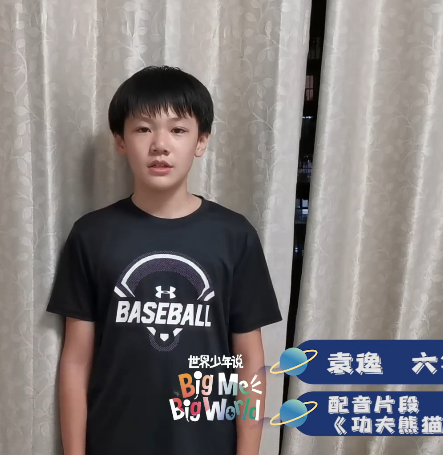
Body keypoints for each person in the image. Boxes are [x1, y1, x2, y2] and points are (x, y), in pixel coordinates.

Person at [46, 66, 283, 455]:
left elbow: (249, 360)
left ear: (201, 141)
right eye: (143, 129)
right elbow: (76, 361)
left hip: (207, 444)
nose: (160, 145)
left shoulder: (234, 235)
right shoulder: (91, 235)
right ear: (120, 141)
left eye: (178, 130)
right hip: (114, 439)